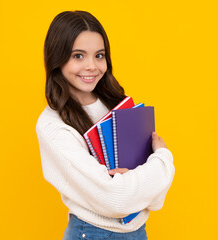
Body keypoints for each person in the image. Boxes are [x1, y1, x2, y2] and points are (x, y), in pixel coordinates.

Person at [36, 10, 175, 240]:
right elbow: (116, 199)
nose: (92, 66)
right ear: (57, 59)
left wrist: (135, 185)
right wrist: (163, 158)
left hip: (138, 232)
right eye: (78, 56)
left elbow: (153, 197)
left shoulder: (117, 102)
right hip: (92, 234)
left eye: (99, 55)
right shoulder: (52, 125)